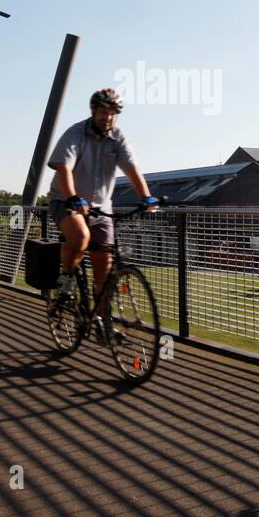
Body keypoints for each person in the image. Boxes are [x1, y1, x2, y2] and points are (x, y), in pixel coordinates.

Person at [46, 88, 158, 340]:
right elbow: (64, 167)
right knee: (80, 238)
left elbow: (131, 169)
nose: (107, 117)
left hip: (101, 208)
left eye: (112, 113)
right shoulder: (76, 133)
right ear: (93, 111)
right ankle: (66, 284)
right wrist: (73, 197)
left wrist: (146, 197)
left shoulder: (118, 138)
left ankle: (104, 323)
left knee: (104, 270)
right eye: (103, 111)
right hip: (66, 199)